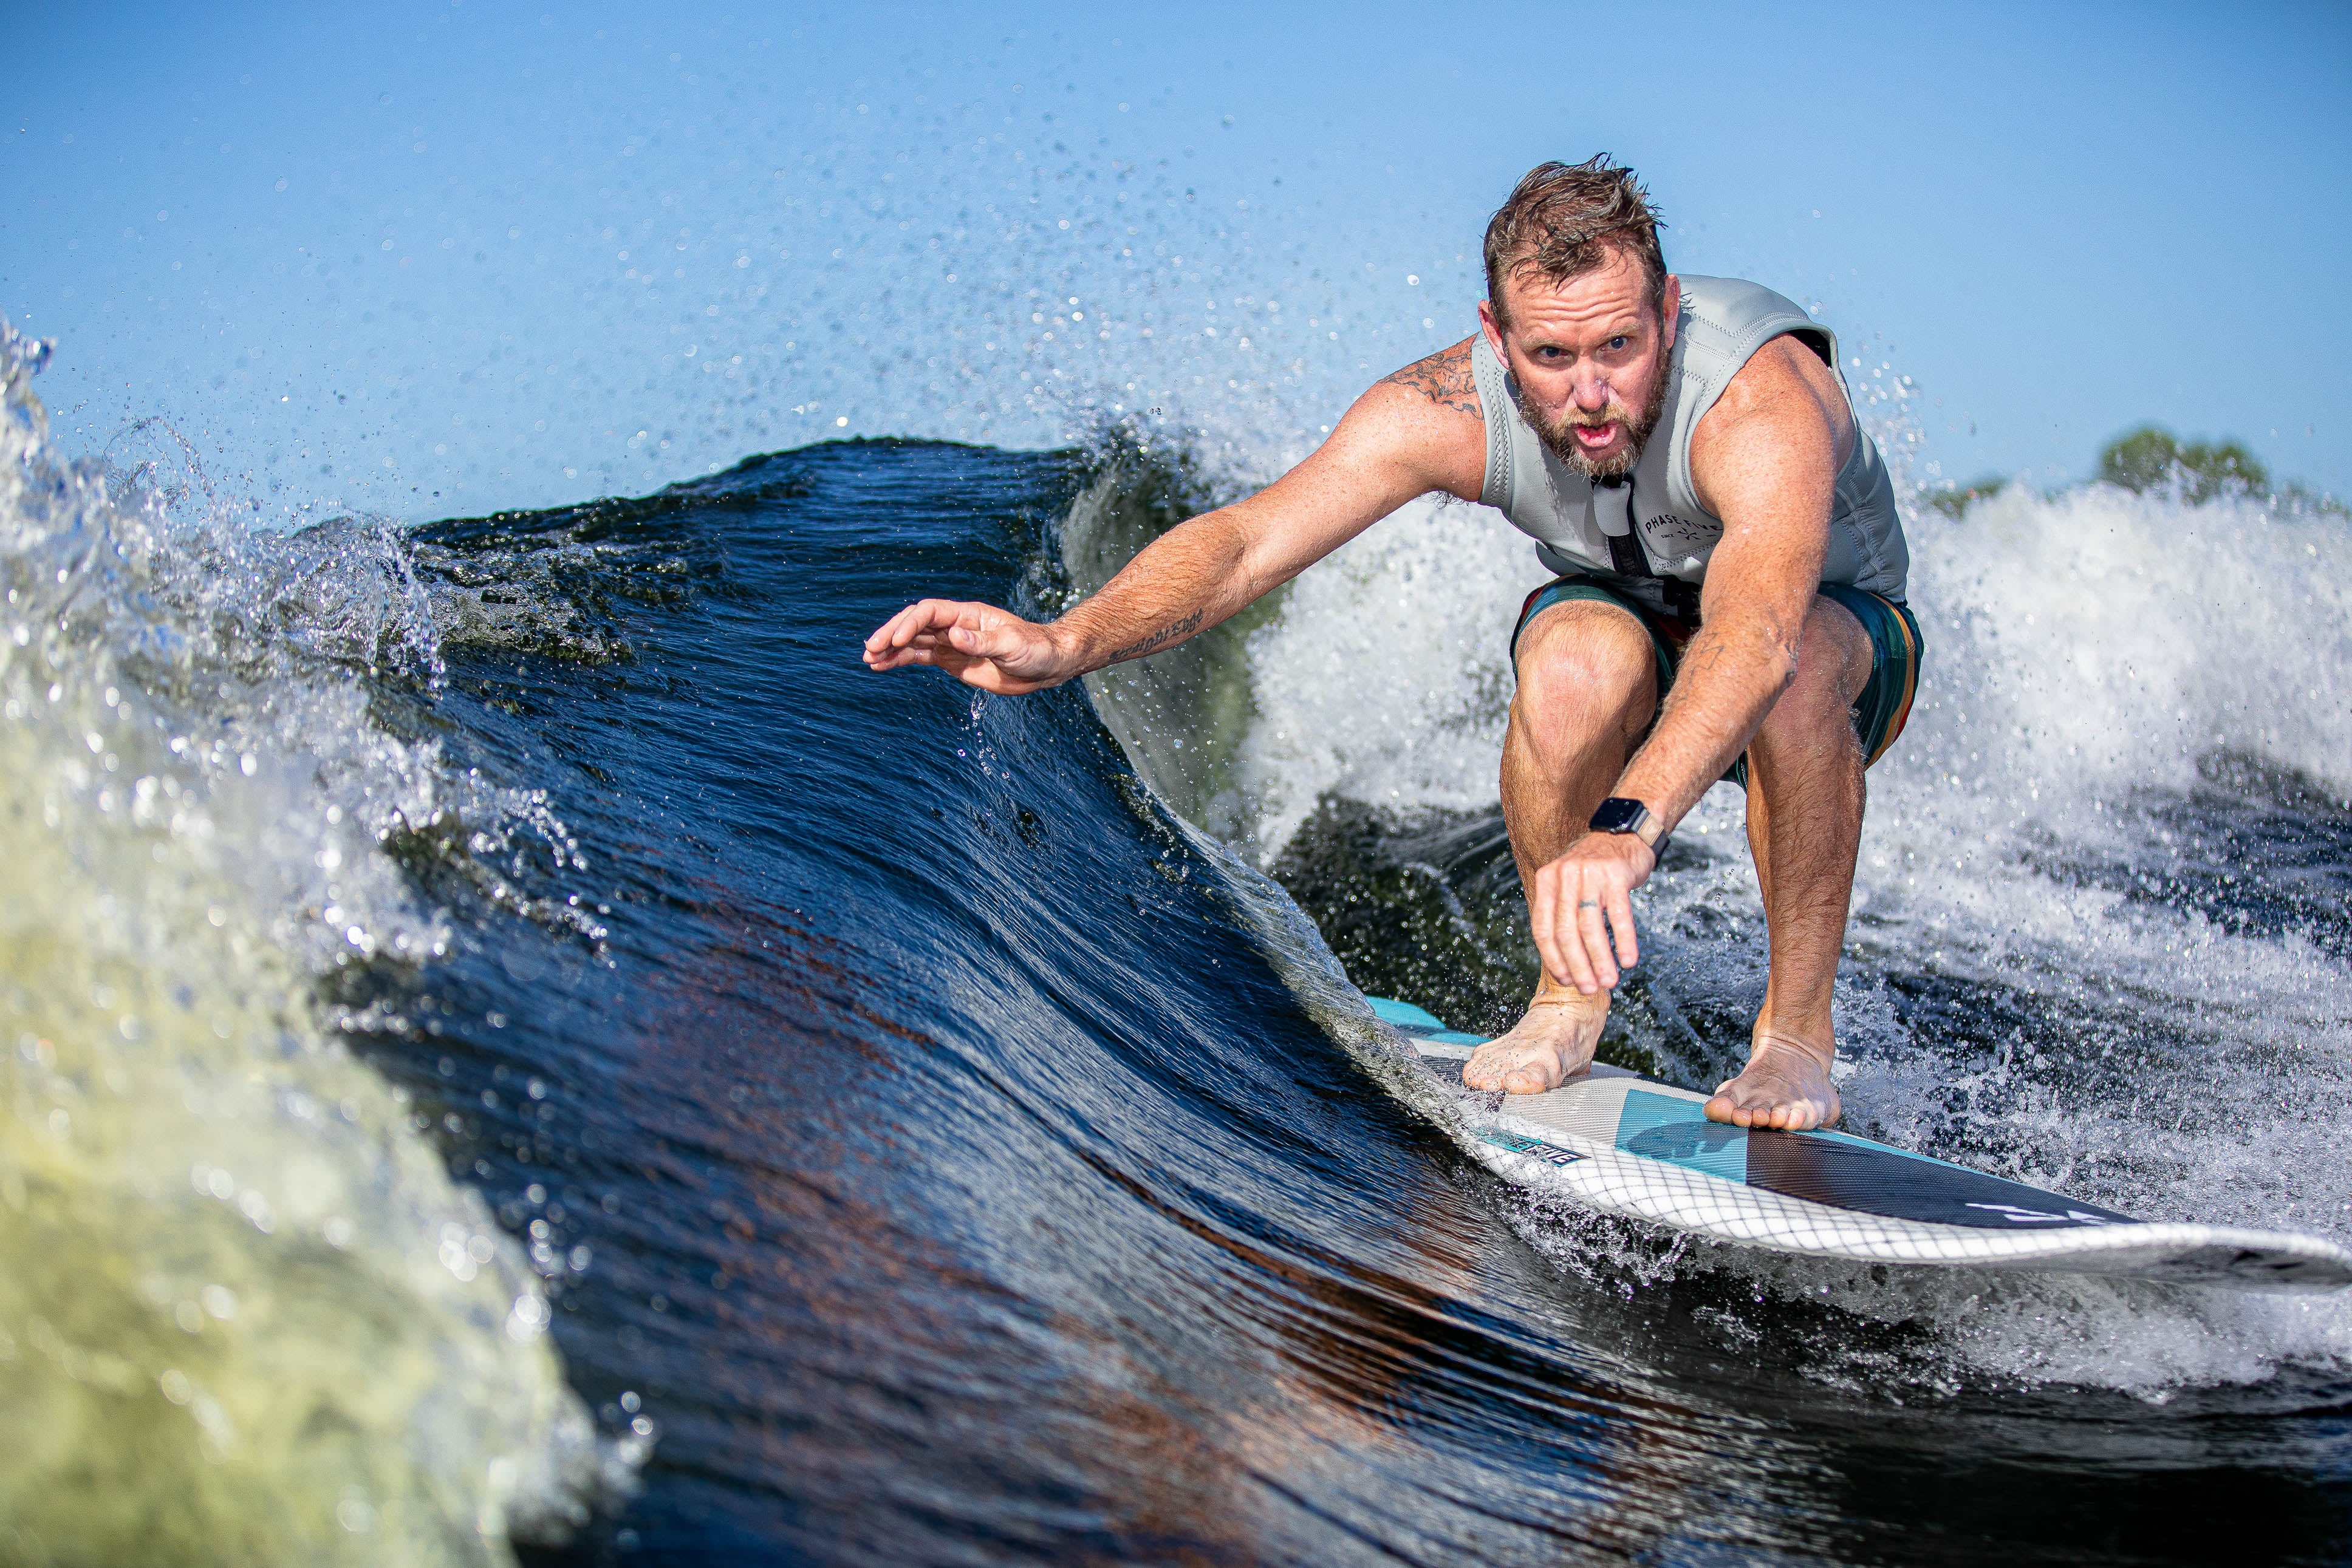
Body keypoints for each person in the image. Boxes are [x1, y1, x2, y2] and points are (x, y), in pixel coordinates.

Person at [863, 157, 1921, 1131]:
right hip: (1628, 607)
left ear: (1669, 311)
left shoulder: (1756, 398)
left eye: (1619, 347)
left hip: (1831, 632)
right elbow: (1247, 542)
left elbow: (1755, 634)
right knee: (1569, 668)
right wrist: (1067, 638)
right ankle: (1565, 1005)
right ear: (1496, 339)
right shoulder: (1445, 406)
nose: (1590, 394)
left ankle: (1794, 1039)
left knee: (1797, 674)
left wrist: (1627, 828)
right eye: (1551, 355)